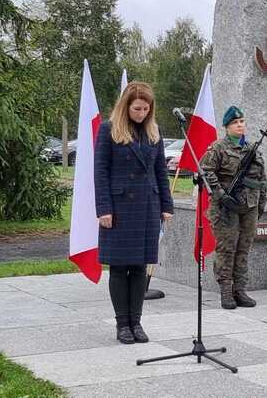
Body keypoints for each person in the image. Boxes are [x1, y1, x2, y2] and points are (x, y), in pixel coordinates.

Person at [94, 81, 173, 344]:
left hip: (147, 206)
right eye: (137, 109)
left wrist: (166, 205)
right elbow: (100, 172)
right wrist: (104, 208)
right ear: (126, 106)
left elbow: (161, 170)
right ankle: (122, 325)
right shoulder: (108, 130)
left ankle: (137, 323)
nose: (141, 114)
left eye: (145, 109)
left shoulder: (152, 132)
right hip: (118, 208)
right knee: (119, 268)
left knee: (140, 267)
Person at [200, 106, 267, 310]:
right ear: (227, 127)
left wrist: (261, 203)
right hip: (226, 208)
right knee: (227, 249)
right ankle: (226, 291)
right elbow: (205, 171)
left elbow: (261, 179)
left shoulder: (252, 150)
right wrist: (220, 194)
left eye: (242, 122)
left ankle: (240, 290)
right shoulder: (218, 148)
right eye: (235, 123)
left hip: (250, 206)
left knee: (243, 248)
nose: (240, 125)